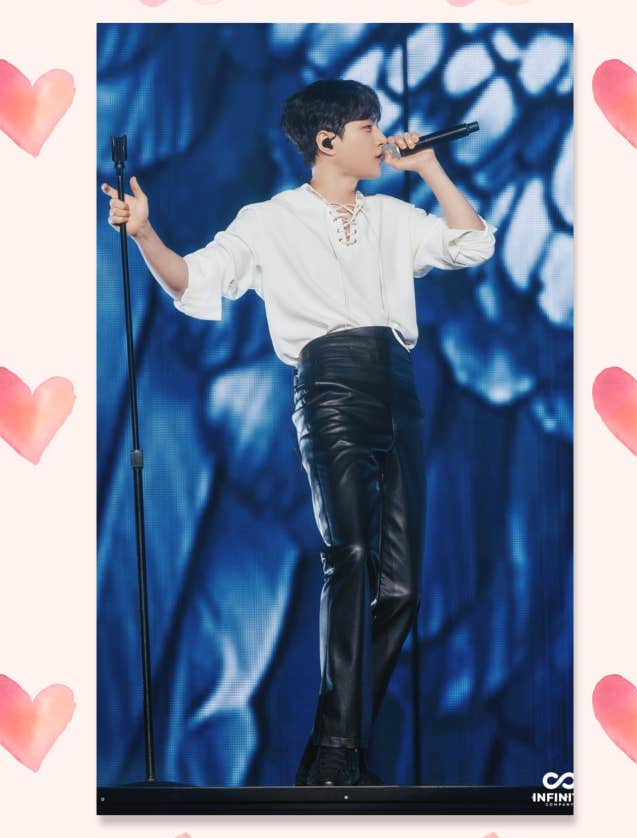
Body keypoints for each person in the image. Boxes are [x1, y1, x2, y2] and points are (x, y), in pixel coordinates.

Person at [102, 78, 497, 787]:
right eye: (368, 127)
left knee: (402, 589)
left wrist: (431, 168)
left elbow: (472, 244)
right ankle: (341, 754)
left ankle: (332, 744)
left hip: (397, 387)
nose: (382, 137)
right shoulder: (270, 220)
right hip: (330, 388)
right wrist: (145, 234)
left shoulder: (393, 215)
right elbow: (193, 281)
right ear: (327, 141)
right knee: (350, 555)